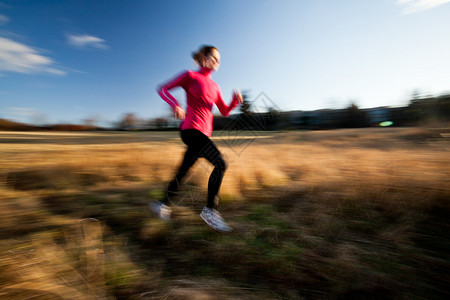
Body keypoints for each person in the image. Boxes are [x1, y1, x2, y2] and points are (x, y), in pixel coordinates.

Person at [150, 45, 243, 232]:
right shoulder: (190, 76)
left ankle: (162, 204)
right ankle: (210, 211)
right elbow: (163, 89)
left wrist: (234, 102)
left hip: (204, 133)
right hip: (191, 130)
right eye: (214, 57)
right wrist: (175, 105)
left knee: (183, 171)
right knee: (220, 164)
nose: (218, 62)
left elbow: (224, 111)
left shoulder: (215, 87)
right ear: (203, 58)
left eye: (219, 59)